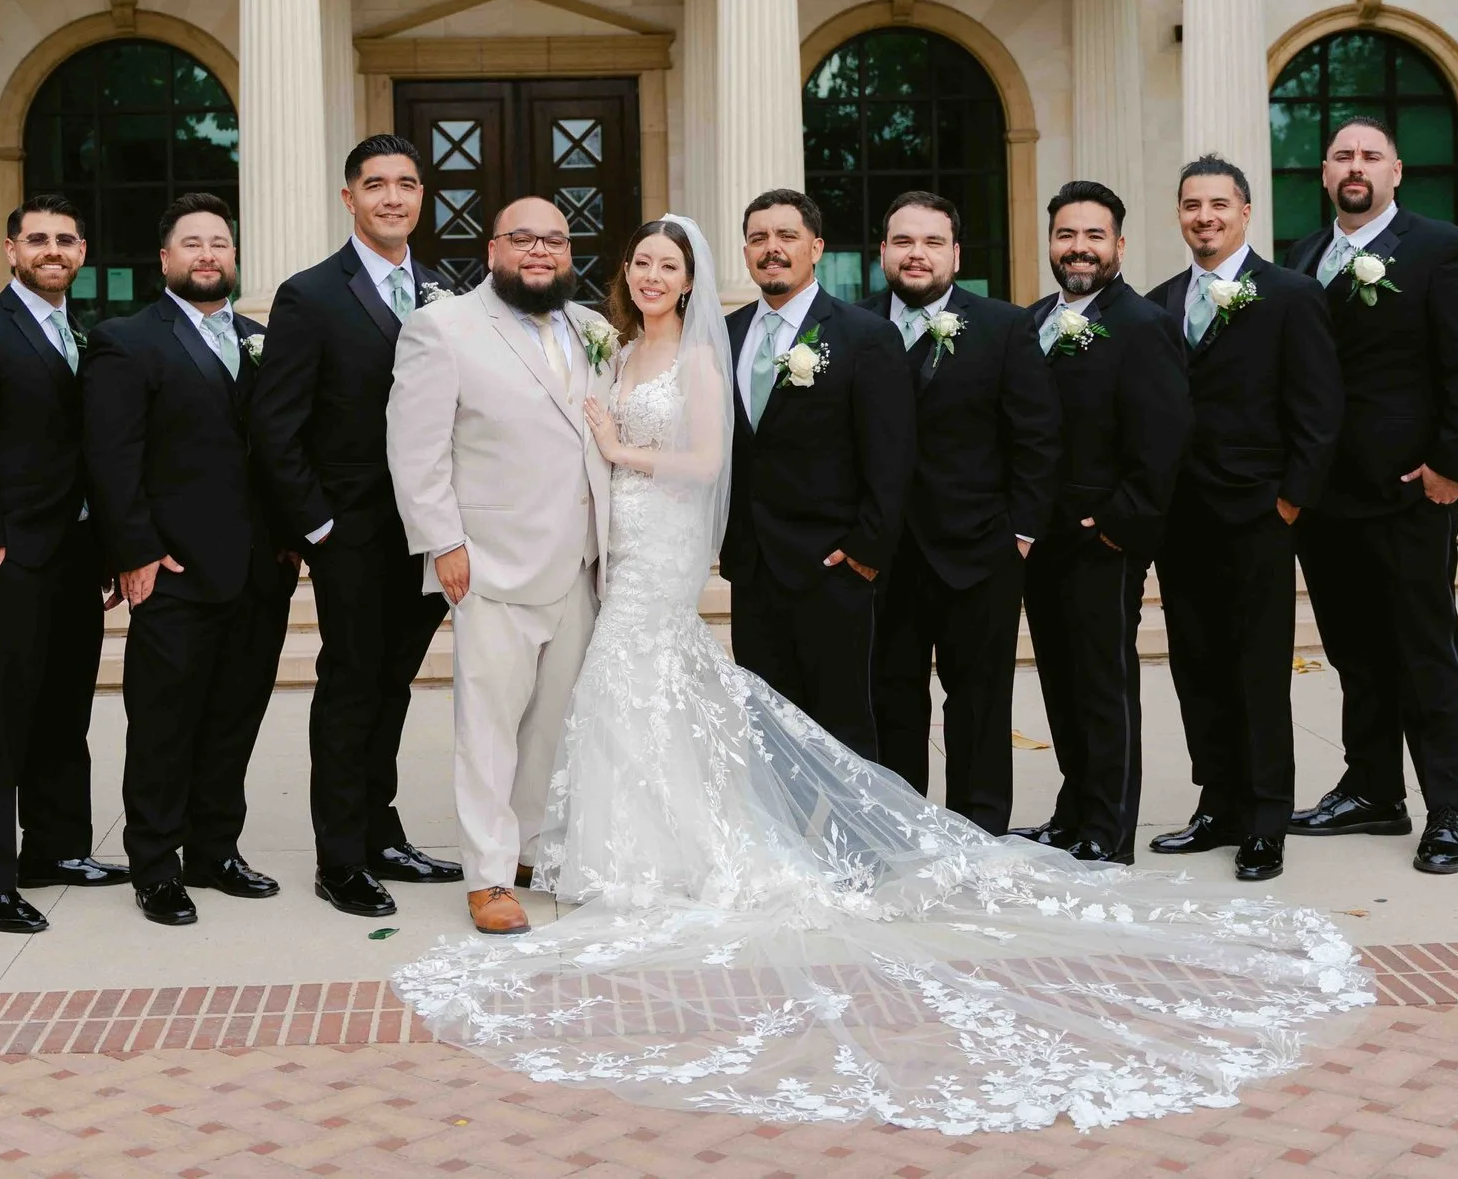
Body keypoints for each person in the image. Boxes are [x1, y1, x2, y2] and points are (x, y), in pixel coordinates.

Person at [392, 214, 1370, 1137]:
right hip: (598, 551)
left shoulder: (713, 349)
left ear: (707, 273)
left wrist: (620, 446)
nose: (654, 275)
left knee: (672, 684)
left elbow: (705, 455)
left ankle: (690, 849)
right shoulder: (598, 339)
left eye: (670, 264)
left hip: (702, 544)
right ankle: (600, 844)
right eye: (643, 262)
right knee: (615, 697)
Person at [1283, 117, 1458, 876]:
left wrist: (1452, 466)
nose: (1356, 166)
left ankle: (1449, 808)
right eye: (1343, 156)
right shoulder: (1304, 256)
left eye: (1370, 155)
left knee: (1423, 648)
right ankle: (1373, 788)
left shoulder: (1444, 250)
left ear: (1396, 171)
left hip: (1411, 492)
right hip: (1324, 497)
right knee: (1353, 651)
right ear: (1323, 173)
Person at [386, 196, 611, 936]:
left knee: (551, 722)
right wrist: (442, 541)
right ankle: (486, 877)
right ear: (493, 250)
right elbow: (416, 446)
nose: (540, 251)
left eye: (555, 239)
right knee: (487, 726)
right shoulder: (442, 326)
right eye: (523, 239)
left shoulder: (593, 329)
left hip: (580, 560)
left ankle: (527, 849)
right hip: (489, 562)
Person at [250, 134, 462, 919]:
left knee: (393, 687)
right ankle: (340, 859)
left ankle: (381, 832)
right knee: (348, 688)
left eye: (407, 184)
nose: (393, 198)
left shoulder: (445, 291)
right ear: (350, 198)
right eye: (376, 185)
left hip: (426, 536)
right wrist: (320, 526)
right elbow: (277, 425)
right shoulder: (309, 294)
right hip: (353, 534)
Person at [86, 195, 297, 927]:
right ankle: (155, 863)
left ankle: (216, 848)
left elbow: (278, 447)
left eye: (220, 243)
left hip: (259, 570)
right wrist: (134, 550)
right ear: (166, 259)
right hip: (173, 570)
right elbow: (113, 458)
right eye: (193, 243)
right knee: (164, 724)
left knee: (234, 717)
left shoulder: (258, 336)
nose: (209, 254)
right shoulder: (126, 340)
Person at [1143, 158, 1341, 883]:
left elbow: (1319, 409)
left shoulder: (1290, 295)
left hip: (1257, 512)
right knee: (1197, 665)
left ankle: (1264, 819)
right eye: (1192, 205)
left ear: (1246, 211)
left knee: (1258, 669)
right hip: (1180, 520)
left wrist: (1290, 500)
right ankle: (1218, 803)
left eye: (1218, 204)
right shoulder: (1160, 302)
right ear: (1179, 216)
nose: (1205, 216)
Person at [0, 194, 126, 936]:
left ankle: (56, 848)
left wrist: (107, 548)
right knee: (3, 715)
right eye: (38, 238)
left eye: (67, 239)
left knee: (65, 706)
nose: (54, 249)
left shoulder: (84, 332)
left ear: (82, 252)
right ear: (11, 249)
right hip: (13, 550)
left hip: (78, 551)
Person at [861, 190, 1059, 832]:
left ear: (956, 253)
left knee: (978, 703)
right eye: (904, 242)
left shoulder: (1004, 326)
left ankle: (979, 835)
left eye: (932, 243)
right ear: (883, 250)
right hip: (882, 558)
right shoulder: (853, 327)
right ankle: (897, 832)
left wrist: (1021, 536)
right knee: (891, 700)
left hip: (982, 553)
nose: (917, 255)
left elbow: (1036, 435)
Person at [1016, 180, 1192, 864]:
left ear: (1118, 244)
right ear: (1051, 243)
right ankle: (1073, 807)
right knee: (1060, 678)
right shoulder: (1030, 321)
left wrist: (1122, 524)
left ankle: (1109, 829)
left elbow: (1165, 436)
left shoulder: (1145, 325)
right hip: (1042, 537)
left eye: (1093, 235)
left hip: (1103, 538)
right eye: (1066, 234)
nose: (1078, 247)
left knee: (1104, 683)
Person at [722, 188, 914, 761]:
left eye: (786, 236)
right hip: (753, 566)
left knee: (842, 726)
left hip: (832, 567)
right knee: (766, 726)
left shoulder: (864, 335)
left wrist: (865, 550)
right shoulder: (724, 335)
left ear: (816, 248)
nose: (772, 248)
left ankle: (849, 848)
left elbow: (891, 452)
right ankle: (783, 845)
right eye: (759, 238)